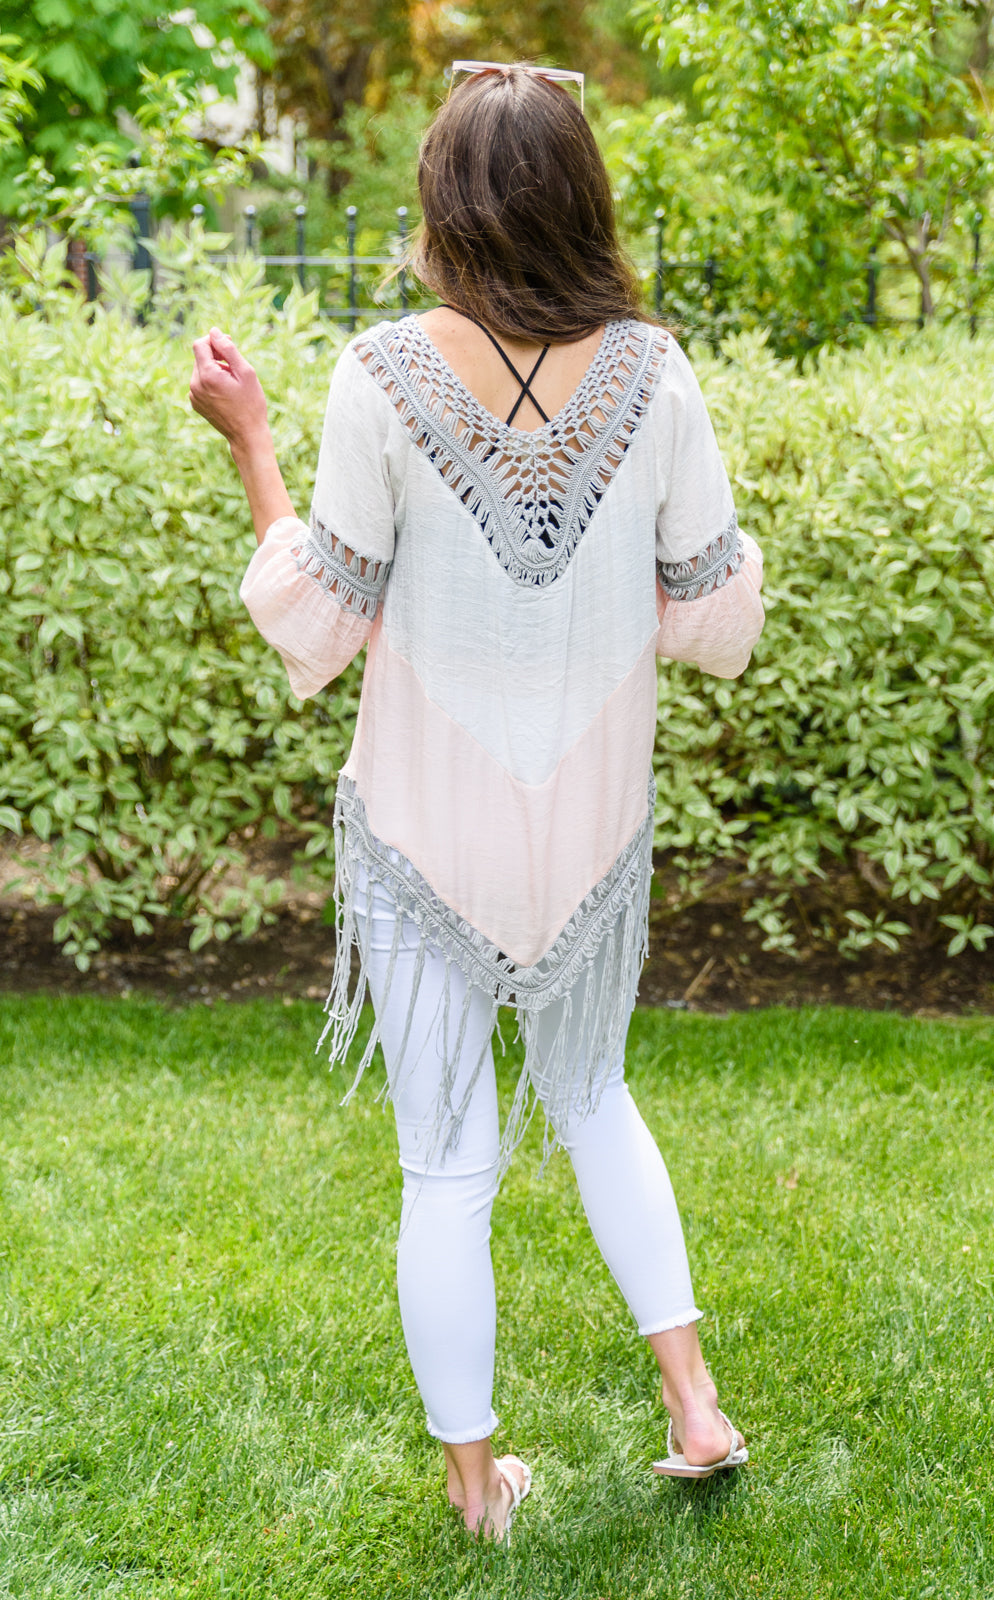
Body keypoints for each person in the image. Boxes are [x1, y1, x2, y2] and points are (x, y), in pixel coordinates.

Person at [190, 62, 765, 1542]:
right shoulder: (654, 372)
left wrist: (249, 442)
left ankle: (476, 1490)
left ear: (445, 199)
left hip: (421, 833)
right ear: (583, 197)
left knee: (444, 1164)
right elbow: (715, 614)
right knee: (594, 1099)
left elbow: (320, 616)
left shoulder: (381, 375)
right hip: (590, 832)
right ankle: (696, 1407)